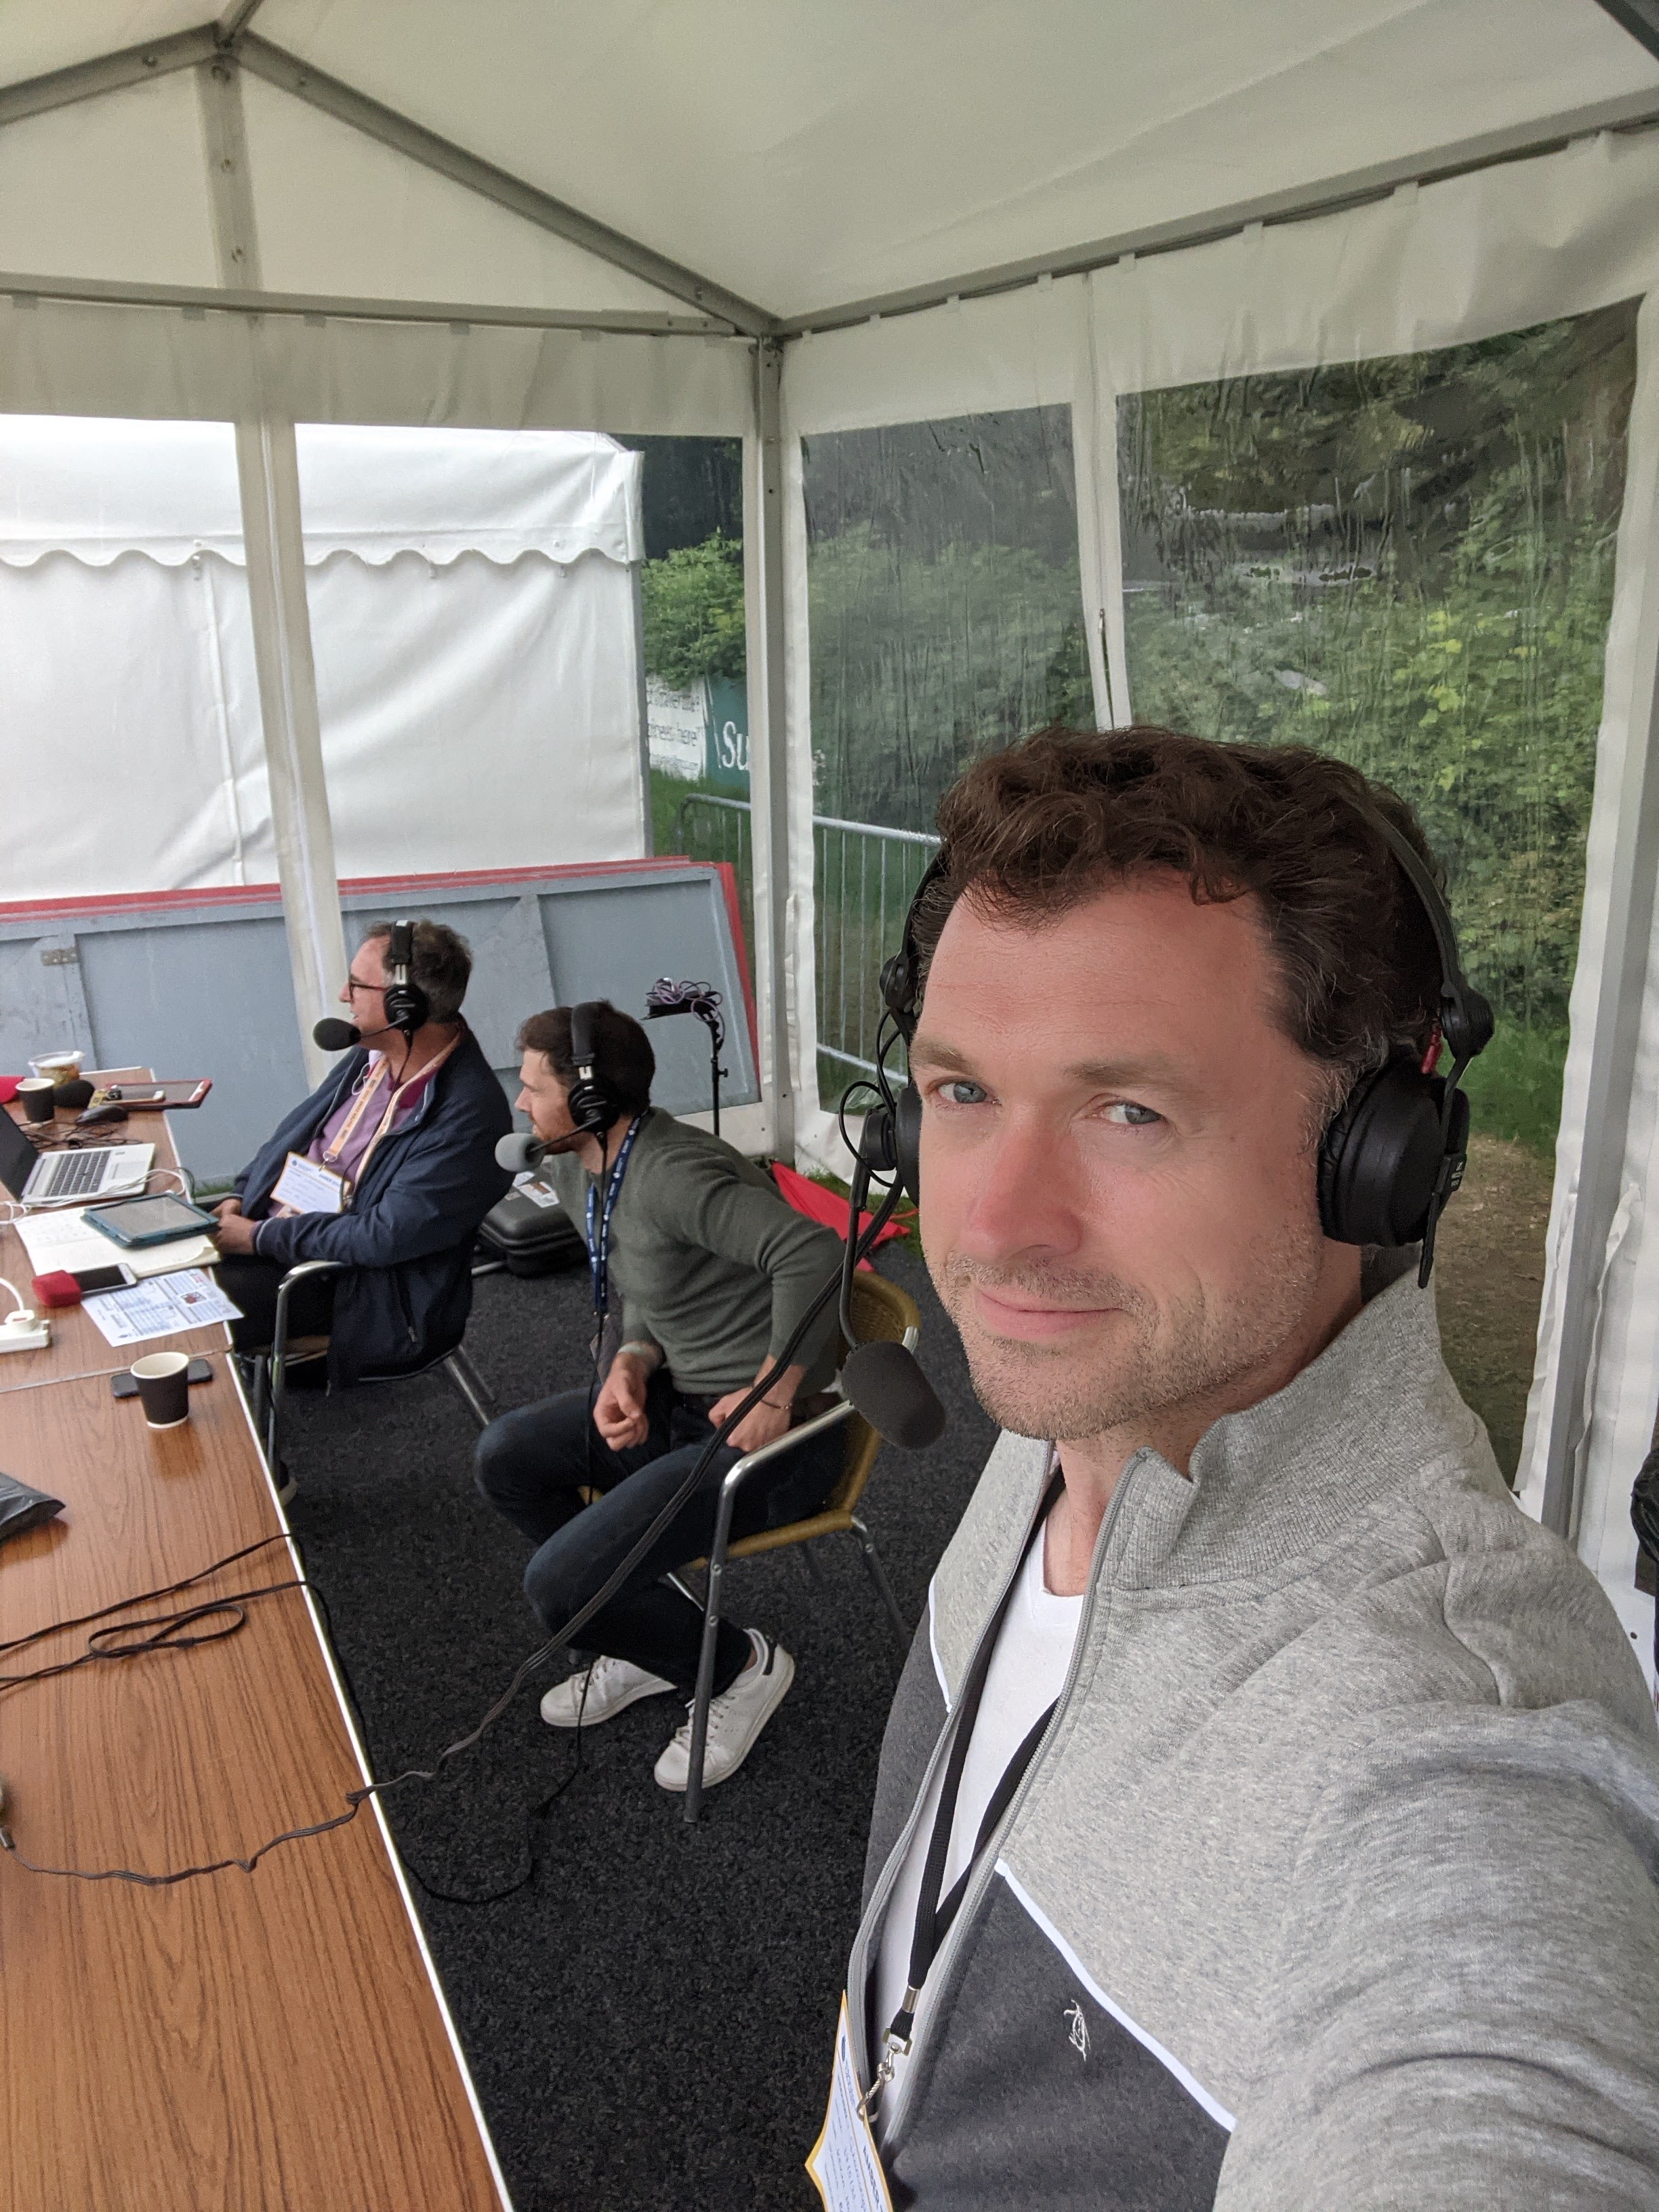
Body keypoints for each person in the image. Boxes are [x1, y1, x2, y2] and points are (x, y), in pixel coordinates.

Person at [832, 727, 1659, 2208]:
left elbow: (1489, 2080)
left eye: (1128, 1111)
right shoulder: (1082, 1408)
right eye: (960, 1093)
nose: (997, 1227)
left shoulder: (1451, 1731)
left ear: (1378, 1158)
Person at [474, 1001, 846, 1793]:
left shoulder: (674, 1174)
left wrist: (774, 1390)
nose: (520, 1102)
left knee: (558, 1587)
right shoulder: (577, 1165)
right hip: (679, 1403)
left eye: (534, 1087)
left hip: (775, 1443)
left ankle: (742, 1667)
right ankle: (645, 1631)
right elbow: (644, 1276)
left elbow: (813, 1253)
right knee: (507, 1457)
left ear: (589, 1099)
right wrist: (633, 1361)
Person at [213, 918, 512, 1389]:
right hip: (281, 1238)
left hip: (350, 1286)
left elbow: (381, 1237)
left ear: (404, 1006)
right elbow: (290, 1138)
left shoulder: (470, 1116)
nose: (342, 996)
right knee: (152, 1261)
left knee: (187, 1309)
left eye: (356, 984)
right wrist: (241, 1195)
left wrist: (259, 1237)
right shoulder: (371, 1055)